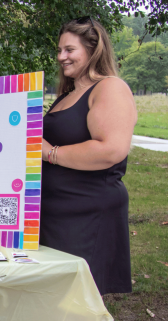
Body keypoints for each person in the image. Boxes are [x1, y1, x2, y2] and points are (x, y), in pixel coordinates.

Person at [41, 17, 137, 295]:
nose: (61, 57)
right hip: (54, 214)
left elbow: (111, 149)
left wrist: (50, 153)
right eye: (59, 50)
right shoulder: (67, 94)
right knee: (53, 303)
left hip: (87, 214)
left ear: (93, 49)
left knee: (80, 308)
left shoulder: (110, 87)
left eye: (69, 50)